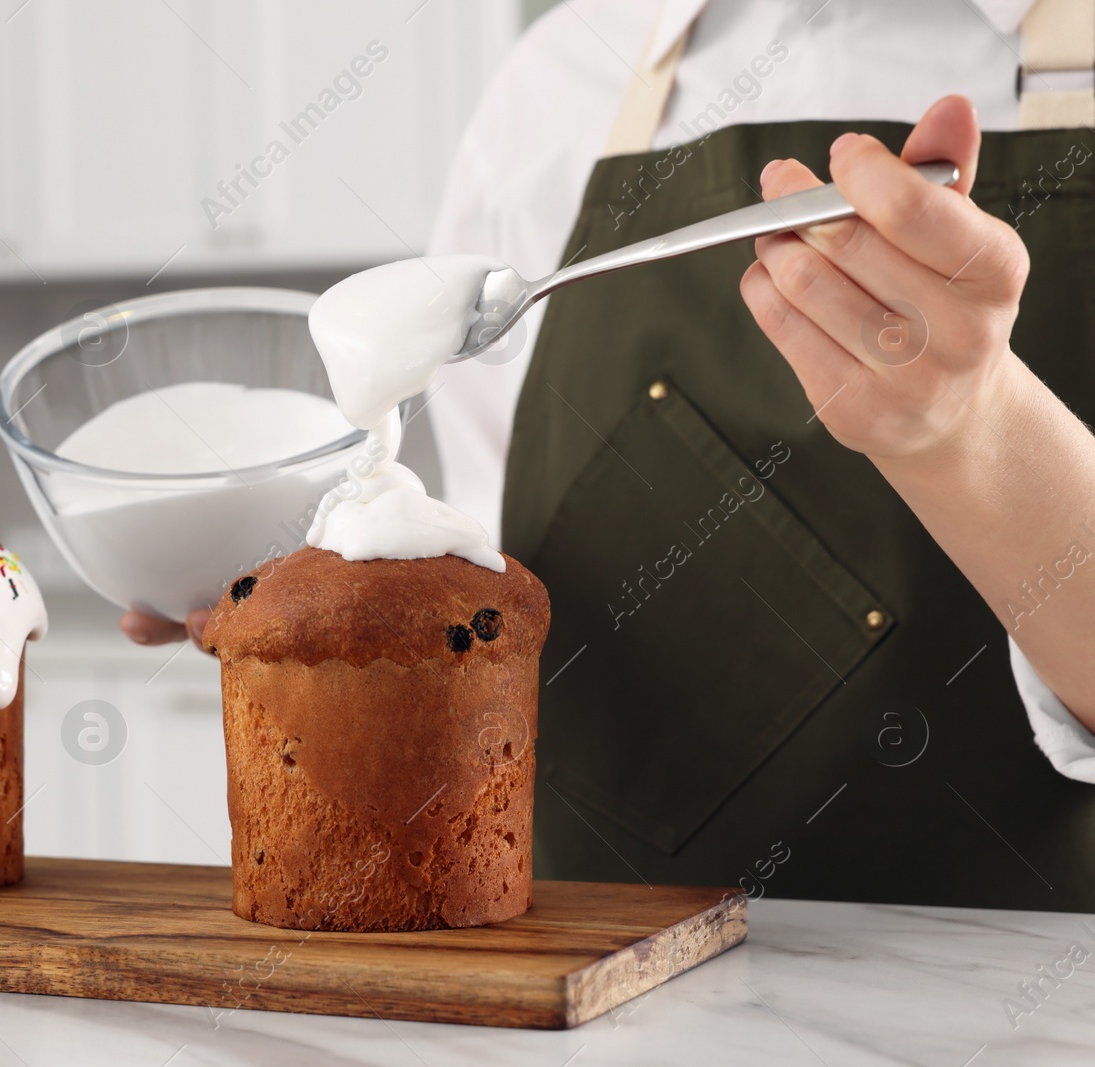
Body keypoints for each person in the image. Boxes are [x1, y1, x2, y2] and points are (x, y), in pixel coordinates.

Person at [125, 0, 1095, 910]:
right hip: (587, 981)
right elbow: (490, 578)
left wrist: (977, 426)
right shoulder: (561, 77)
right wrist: (325, 590)